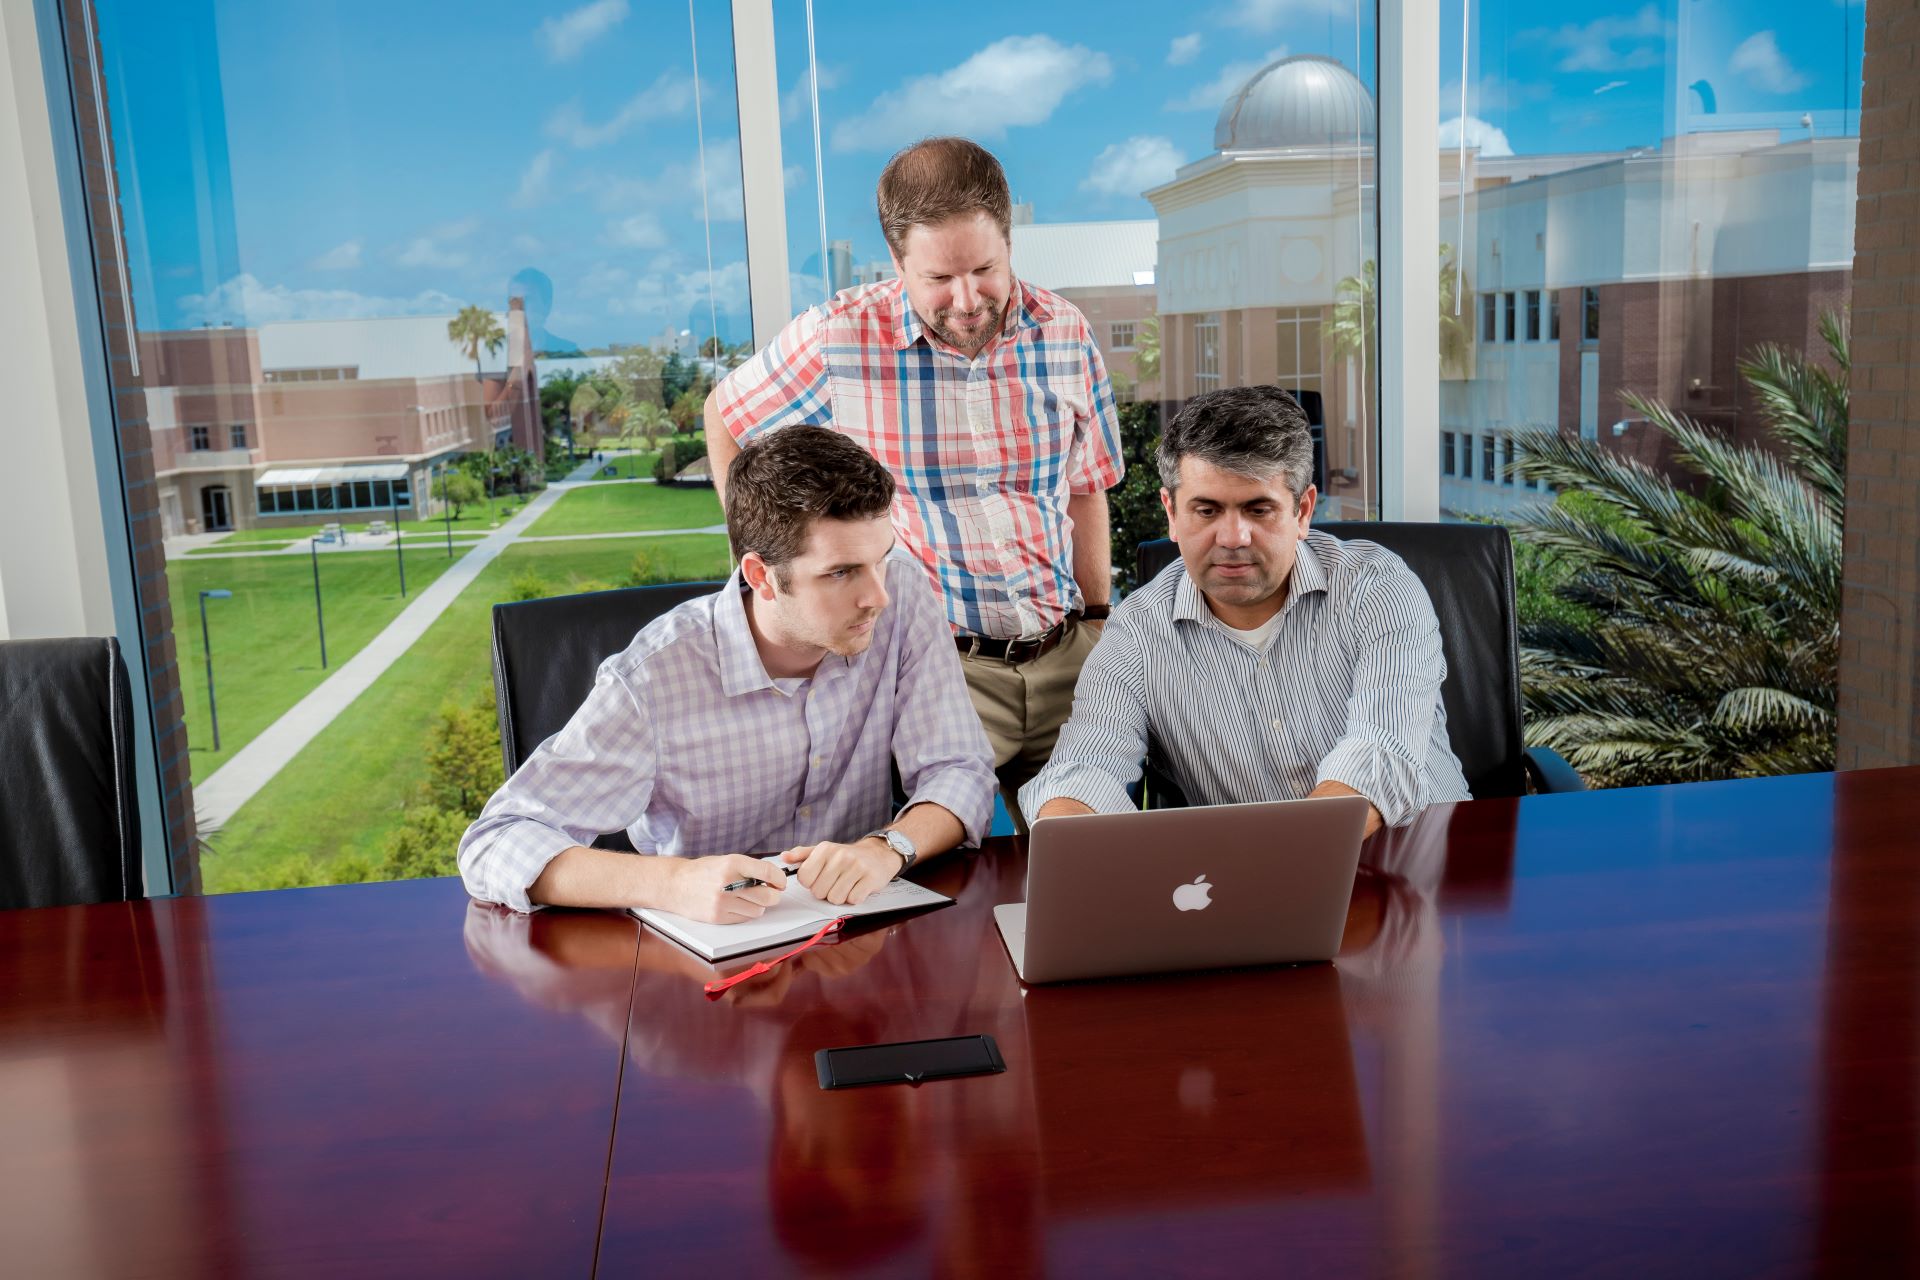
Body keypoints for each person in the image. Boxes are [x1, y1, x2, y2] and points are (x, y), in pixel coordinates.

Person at [705, 137, 1124, 830]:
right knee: (936, 882)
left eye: (986, 269)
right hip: (938, 670)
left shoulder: (1066, 333)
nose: (967, 300)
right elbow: (726, 417)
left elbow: (1088, 487)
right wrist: (767, 568)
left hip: (1066, 658)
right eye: (938, 279)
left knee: (1092, 875)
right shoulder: (838, 337)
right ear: (897, 263)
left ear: (1010, 241)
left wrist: (1101, 622)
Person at [458, 426, 996, 920]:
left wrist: (886, 848)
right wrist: (673, 883)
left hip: (860, 939)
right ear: (761, 576)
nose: (877, 595)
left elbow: (960, 769)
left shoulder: (899, 594)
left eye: (882, 558)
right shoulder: (651, 679)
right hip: (708, 971)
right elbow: (496, 842)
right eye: (840, 572)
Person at [1021, 385, 1469, 836]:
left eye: (1258, 509)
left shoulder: (1376, 589)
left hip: (1426, 872)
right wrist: (1067, 828)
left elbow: (1380, 755)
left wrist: (1277, 866)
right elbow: (1087, 764)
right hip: (1249, 885)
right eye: (1207, 510)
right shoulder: (1137, 632)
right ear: (1172, 513)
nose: (1233, 537)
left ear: (1303, 510)